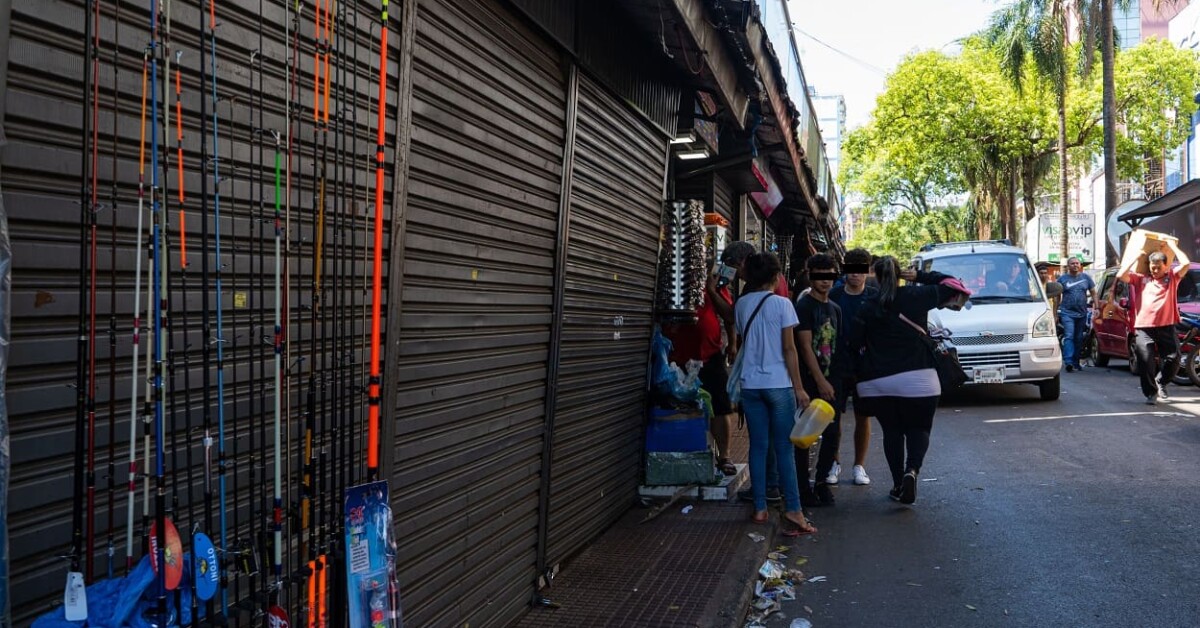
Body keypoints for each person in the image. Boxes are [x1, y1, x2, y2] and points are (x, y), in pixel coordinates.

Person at [849, 257, 970, 505]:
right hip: (920, 379)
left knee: (892, 431)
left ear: (877, 277)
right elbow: (956, 286)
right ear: (901, 275)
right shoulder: (918, 295)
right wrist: (920, 276)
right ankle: (911, 471)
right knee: (919, 429)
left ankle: (897, 485)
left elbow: (854, 344)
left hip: (878, 382)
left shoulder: (867, 305)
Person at [733, 252, 816, 535]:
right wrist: (799, 387)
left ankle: (759, 507)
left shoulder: (741, 304)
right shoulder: (783, 304)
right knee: (783, 448)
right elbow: (789, 349)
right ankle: (793, 509)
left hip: (750, 385)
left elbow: (743, 340)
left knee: (758, 446)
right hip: (779, 384)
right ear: (775, 277)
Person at [661, 263, 738, 476]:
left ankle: (724, 456)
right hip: (677, 359)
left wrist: (732, 343)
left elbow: (729, 316)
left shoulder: (713, 285)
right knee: (679, 405)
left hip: (709, 355)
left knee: (720, 406)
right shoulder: (670, 285)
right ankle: (686, 453)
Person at [793, 254, 843, 507]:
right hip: (810, 382)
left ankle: (822, 482)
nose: (825, 281)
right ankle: (803, 488)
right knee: (805, 435)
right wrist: (819, 381)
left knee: (832, 433)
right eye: (819, 275)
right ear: (810, 276)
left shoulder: (835, 308)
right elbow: (804, 347)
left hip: (833, 381)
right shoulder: (803, 307)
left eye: (829, 275)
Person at [827, 248, 878, 487]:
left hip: (864, 365)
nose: (855, 275)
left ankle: (859, 466)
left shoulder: (874, 296)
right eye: (851, 270)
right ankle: (833, 463)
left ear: (867, 271)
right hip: (836, 365)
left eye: (860, 270)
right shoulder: (834, 295)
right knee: (832, 416)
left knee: (863, 415)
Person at [1119, 237, 1192, 405]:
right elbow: (1121, 275)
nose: (1155, 270)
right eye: (1153, 267)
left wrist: (1172, 246)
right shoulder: (1140, 278)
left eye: (1159, 267)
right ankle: (1151, 393)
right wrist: (1136, 257)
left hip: (1166, 326)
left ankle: (1161, 381)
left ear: (1166, 266)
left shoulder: (1172, 277)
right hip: (1144, 328)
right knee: (1145, 362)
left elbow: (1186, 263)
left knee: (1174, 358)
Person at [1056, 257, 1096, 372]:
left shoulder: (1086, 278)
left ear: (1080, 265)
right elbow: (1057, 297)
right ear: (1068, 266)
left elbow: (1094, 293)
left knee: (1078, 338)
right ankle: (1068, 362)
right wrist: (1055, 312)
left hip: (1082, 313)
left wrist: (1097, 307)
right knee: (1069, 335)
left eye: (1077, 263)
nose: (1075, 265)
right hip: (1067, 313)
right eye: (1072, 263)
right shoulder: (1062, 279)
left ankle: (1075, 362)